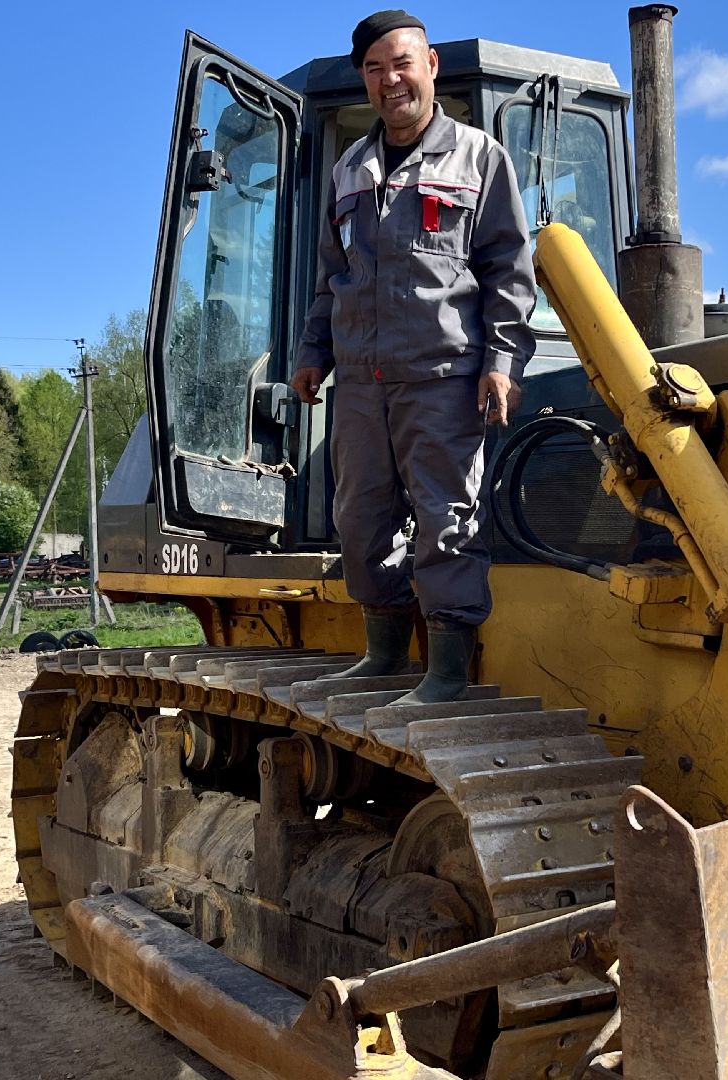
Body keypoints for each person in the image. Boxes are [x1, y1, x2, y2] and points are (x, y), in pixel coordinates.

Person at [289, 9, 536, 705]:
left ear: (430, 66)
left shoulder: (479, 158)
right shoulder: (348, 170)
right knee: (360, 523)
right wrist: (314, 351)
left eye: (401, 62)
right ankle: (384, 655)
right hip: (363, 385)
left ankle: (448, 671)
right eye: (373, 69)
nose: (389, 79)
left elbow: (509, 270)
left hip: (443, 379)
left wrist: (502, 361)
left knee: (447, 520)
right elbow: (330, 277)